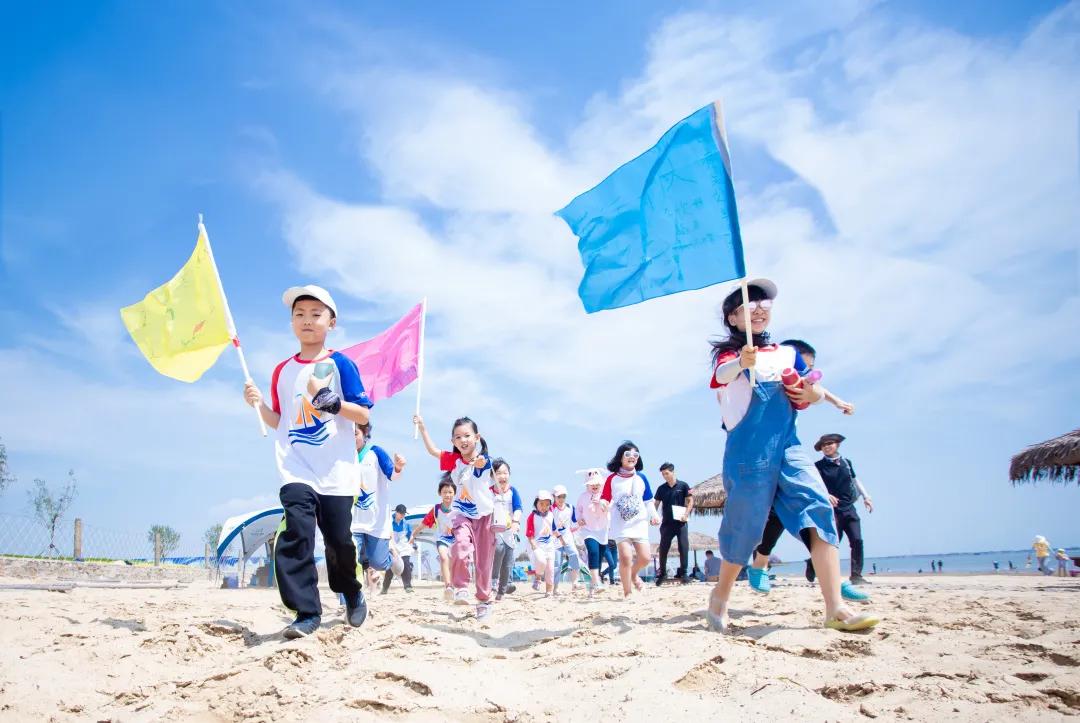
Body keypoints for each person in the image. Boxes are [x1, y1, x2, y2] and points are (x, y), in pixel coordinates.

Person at [706, 278, 878, 633]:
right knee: (744, 526)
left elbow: (813, 391)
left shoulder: (787, 353)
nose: (758, 310)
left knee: (818, 507)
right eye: (749, 305)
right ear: (733, 318)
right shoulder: (730, 356)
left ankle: (835, 607)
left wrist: (809, 393)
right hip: (748, 453)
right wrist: (741, 362)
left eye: (764, 304)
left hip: (789, 446)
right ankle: (720, 596)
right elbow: (721, 376)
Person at [243, 285, 374, 639]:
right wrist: (257, 404)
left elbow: (363, 415)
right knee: (296, 534)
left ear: (331, 322)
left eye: (316, 314)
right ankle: (306, 611)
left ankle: (351, 591)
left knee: (339, 542)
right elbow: (279, 421)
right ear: (291, 323)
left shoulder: (340, 364)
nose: (307, 320)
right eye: (299, 314)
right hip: (295, 466)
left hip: (336, 470)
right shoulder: (282, 371)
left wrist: (334, 403)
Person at [414, 415, 495, 619]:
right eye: (458, 437)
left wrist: (480, 463)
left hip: (484, 516)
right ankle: (461, 587)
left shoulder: (485, 461)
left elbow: (486, 467)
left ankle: (484, 600)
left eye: (467, 435)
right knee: (459, 546)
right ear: (453, 441)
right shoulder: (454, 460)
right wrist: (423, 428)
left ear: (477, 437)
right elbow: (433, 451)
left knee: (483, 562)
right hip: (462, 514)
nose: (463, 440)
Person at [350, 422, 406, 591]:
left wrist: (398, 467)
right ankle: (349, 599)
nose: (351, 437)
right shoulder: (342, 454)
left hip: (376, 522)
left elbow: (392, 475)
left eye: (355, 433)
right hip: (352, 521)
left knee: (379, 563)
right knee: (348, 557)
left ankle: (392, 556)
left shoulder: (375, 452)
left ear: (365, 433)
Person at [601, 441, 661, 598]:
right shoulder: (612, 478)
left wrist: (654, 515)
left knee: (645, 558)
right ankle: (627, 592)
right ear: (620, 458)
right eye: (627, 454)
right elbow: (605, 497)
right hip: (620, 523)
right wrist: (603, 504)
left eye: (635, 455)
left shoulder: (642, 477)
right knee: (626, 558)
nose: (632, 457)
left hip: (639, 522)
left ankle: (634, 574)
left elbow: (648, 500)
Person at [813, 434, 874, 586]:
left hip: (849, 508)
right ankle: (812, 563)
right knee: (831, 543)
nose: (827, 446)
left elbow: (855, 479)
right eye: (823, 445)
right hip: (832, 510)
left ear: (837, 445)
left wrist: (866, 497)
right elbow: (814, 484)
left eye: (830, 443)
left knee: (857, 540)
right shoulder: (818, 466)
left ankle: (856, 576)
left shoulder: (846, 463)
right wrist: (826, 495)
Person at [411, 475, 457, 600]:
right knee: (444, 557)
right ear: (440, 493)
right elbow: (424, 523)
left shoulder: (458, 508)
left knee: (453, 561)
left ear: (454, 493)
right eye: (444, 492)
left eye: (450, 492)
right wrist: (414, 534)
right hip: (442, 539)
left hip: (455, 539)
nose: (447, 495)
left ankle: (453, 585)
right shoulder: (436, 509)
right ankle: (448, 586)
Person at [653, 462, 694, 585]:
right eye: (663, 474)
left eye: (667, 473)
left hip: (681, 523)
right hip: (666, 523)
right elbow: (656, 504)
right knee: (663, 548)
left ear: (673, 472)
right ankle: (663, 574)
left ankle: (684, 573)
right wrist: (654, 516)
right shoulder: (661, 488)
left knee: (683, 547)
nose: (665, 476)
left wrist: (686, 514)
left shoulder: (684, 485)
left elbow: (690, 501)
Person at [489, 459, 522, 601]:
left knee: (508, 561)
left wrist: (516, 522)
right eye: (498, 473)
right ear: (492, 476)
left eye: (505, 473)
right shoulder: (489, 492)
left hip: (509, 530)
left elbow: (518, 508)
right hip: (494, 530)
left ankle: (502, 591)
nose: (502, 476)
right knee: (498, 549)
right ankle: (493, 582)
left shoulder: (513, 491)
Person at [576, 469, 611, 597]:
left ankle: (592, 586)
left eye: (597, 483)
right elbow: (578, 510)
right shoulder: (583, 496)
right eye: (591, 483)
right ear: (587, 484)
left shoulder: (606, 495)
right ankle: (597, 582)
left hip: (602, 530)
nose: (594, 485)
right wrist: (579, 519)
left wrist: (602, 504)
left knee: (599, 557)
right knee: (593, 551)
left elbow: (610, 509)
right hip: (587, 529)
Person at [526, 491, 562, 596]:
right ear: (536, 503)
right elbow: (529, 534)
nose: (544, 507)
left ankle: (549, 591)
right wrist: (533, 545)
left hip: (550, 546)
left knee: (550, 569)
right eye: (541, 504)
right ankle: (538, 578)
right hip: (537, 545)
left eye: (547, 504)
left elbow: (554, 529)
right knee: (541, 562)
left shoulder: (551, 514)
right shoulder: (532, 516)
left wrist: (560, 539)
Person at [550, 484, 582, 594]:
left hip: (567, 537)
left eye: (563, 496)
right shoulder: (551, 509)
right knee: (557, 564)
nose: (561, 499)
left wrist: (580, 522)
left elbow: (574, 521)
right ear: (554, 497)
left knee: (574, 554)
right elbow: (551, 526)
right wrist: (559, 537)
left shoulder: (570, 507)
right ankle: (555, 588)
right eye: (559, 497)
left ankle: (575, 582)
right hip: (555, 539)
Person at [382, 505, 414, 593]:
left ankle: (408, 586)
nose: (402, 515)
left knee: (406, 565)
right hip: (392, 546)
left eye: (404, 514)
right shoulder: (388, 522)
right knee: (390, 568)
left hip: (404, 547)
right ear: (396, 512)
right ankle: (385, 588)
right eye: (401, 514)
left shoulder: (406, 523)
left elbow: (410, 536)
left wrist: (412, 540)